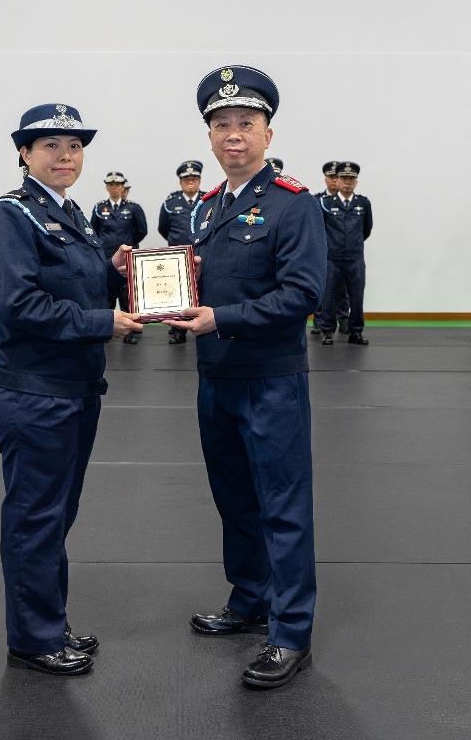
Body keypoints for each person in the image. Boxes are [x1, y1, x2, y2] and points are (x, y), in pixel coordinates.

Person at [165, 65, 325, 689]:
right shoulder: (207, 207)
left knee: (282, 505)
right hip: (216, 376)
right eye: (222, 124)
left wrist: (220, 318)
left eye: (246, 123)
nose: (234, 134)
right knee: (233, 497)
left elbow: (303, 294)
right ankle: (250, 598)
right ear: (209, 136)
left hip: (269, 380)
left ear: (267, 133)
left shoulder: (293, 203)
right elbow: (198, 278)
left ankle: (290, 633)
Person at [0, 103, 142, 677]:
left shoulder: (68, 213)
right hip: (35, 393)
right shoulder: (11, 216)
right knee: (35, 517)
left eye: (74, 147)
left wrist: (115, 271)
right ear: (24, 153)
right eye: (51, 145)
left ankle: (50, 620)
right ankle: (33, 638)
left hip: (72, 387)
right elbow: (17, 304)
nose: (66, 156)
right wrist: (102, 322)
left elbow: (73, 284)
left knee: (55, 515)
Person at [315, 161, 372, 344]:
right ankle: (328, 331)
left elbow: (366, 230)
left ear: (356, 182)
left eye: (351, 179)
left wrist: (352, 245)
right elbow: (320, 230)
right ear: (337, 180)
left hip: (355, 259)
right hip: (332, 258)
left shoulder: (363, 203)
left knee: (356, 298)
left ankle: (356, 331)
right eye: (344, 178)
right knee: (329, 297)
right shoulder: (325, 203)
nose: (347, 182)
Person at [91, 172, 148, 343]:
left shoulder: (133, 208)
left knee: (127, 295)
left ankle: (129, 333)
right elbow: (94, 231)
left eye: (117, 185)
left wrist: (129, 244)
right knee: (106, 294)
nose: (114, 188)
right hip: (106, 257)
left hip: (127, 257)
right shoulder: (99, 208)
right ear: (107, 187)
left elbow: (141, 230)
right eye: (111, 185)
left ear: (123, 187)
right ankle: (106, 330)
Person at [158, 160, 205, 344]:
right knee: (178, 293)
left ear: (199, 181)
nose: (190, 182)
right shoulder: (171, 203)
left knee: (204, 291)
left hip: (202, 255)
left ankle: (204, 328)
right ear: (180, 182)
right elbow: (163, 228)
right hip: (177, 256)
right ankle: (179, 331)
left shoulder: (209, 200)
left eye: (194, 179)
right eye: (186, 179)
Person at [311, 162, 349, 334]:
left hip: (341, 252)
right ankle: (319, 321)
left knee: (343, 289)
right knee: (322, 287)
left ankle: (343, 320)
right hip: (321, 252)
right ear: (326, 179)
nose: (334, 180)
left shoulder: (347, 201)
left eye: (336, 177)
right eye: (331, 177)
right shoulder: (317, 200)